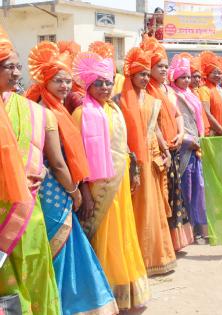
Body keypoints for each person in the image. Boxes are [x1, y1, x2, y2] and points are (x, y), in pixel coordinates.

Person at [26, 41, 119, 315]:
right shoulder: (46, 111)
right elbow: (56, 161)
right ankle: (70, 305)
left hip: (53, 188)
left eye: (68, 81)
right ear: (45, 81)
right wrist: (76, 191)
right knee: (63, 246)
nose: (65, 86)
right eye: (58, 81)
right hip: (54, 189)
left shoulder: (57, 108)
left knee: (63, 246)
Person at [72, 52, 150, 309]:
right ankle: (103, 292)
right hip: (98, 186)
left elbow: (124, 145)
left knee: (122, 232)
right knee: (103, 234)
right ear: (88, 85)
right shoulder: (81, 113)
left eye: (107, 82)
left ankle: (125, 289)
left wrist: (135, 171)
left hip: (120, 180)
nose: (105, 88)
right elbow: (77, 154)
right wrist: (84, 187)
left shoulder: (115, 109)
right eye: (98, 83)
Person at [0, 27, 61, 315]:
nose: (15, 73)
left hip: (27, 208)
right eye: (8, 66)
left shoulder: (28, 110)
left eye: (17, 66)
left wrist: (39, 171)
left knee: (34, 267)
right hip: (3, 213)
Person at [117, 47, 179, 272]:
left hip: (151, 158)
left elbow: (154, 129)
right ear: (130, 75)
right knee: (137, 207)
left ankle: (157, 257)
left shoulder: (152, 99)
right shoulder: (120, 100)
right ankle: (137, 260)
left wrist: (164, 148)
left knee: (154, 206)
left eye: (146, 74)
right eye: (140, 74)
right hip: (131, 159)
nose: (144, 78)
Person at [142, 37, 192, 251]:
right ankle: (163, 244)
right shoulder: (147, 91)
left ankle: (174, 242)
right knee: (164, 196)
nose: (163, 70)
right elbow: (152, 124)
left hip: (175, 146)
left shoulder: (166, 91)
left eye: (165, 66)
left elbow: (177, 114)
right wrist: (163, 145)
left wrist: (181, 133)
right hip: (161, 151)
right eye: (159, 66)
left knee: (174, 195)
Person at [168, 55, 208, 245]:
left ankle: (199, 228)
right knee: (186, 189)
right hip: (184, 148)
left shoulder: (191, 94)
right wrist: (189, 141)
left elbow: (198, 120)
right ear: (174, 78)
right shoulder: (172, 95)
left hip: (196, 147)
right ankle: (188, 231)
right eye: (182, 77)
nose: (186, 80)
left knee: (198, 187)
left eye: (188, 77)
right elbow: (173, 123)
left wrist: (199, 139)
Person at [198, 51, 222, 136]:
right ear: (207, 74)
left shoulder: (221, 90)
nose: (217, 75)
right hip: (213, 133)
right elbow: (206, 113)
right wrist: (220, 129)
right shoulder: (204, 90)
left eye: (220, 73)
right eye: (214, 72)